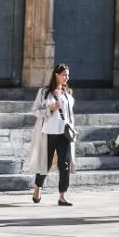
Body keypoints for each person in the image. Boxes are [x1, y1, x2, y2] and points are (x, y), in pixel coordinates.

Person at [30, 63, 76, 206]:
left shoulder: (68, 94)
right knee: (46, 164)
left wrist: (72, 128)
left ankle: (62, 196)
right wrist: (49, 109)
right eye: (64, 75)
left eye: (68, 75)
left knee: (65, 165)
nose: (66, 78)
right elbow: (35, 111)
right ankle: (38, 187)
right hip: (48, 134)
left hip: (64, 135)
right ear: (56, 74)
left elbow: (69, 115)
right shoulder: (44, 92)